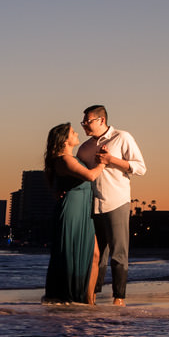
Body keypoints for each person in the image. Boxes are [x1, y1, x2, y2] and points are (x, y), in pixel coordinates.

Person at [75, 105, 147, 306]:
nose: (84, 126)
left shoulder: (122, 137)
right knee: (97, 255)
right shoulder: (84, 149)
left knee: (118, 253)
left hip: (117, 201)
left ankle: (119, 298)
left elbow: (141, 168)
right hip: (92, 205)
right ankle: (92, 297)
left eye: (88, 121)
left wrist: (111, 160)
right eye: (83, 122)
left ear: (101, 120)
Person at [40, 122, 101, 306]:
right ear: (65, 140)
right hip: (73, 210)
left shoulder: (67, 159)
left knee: (94, 254)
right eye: (73, 132)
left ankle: (87, 299)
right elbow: (90, 176)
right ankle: (72, 298)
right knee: (72, 254)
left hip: (81, 208)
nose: (76, 134)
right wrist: (103, 163)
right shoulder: (65, 159)